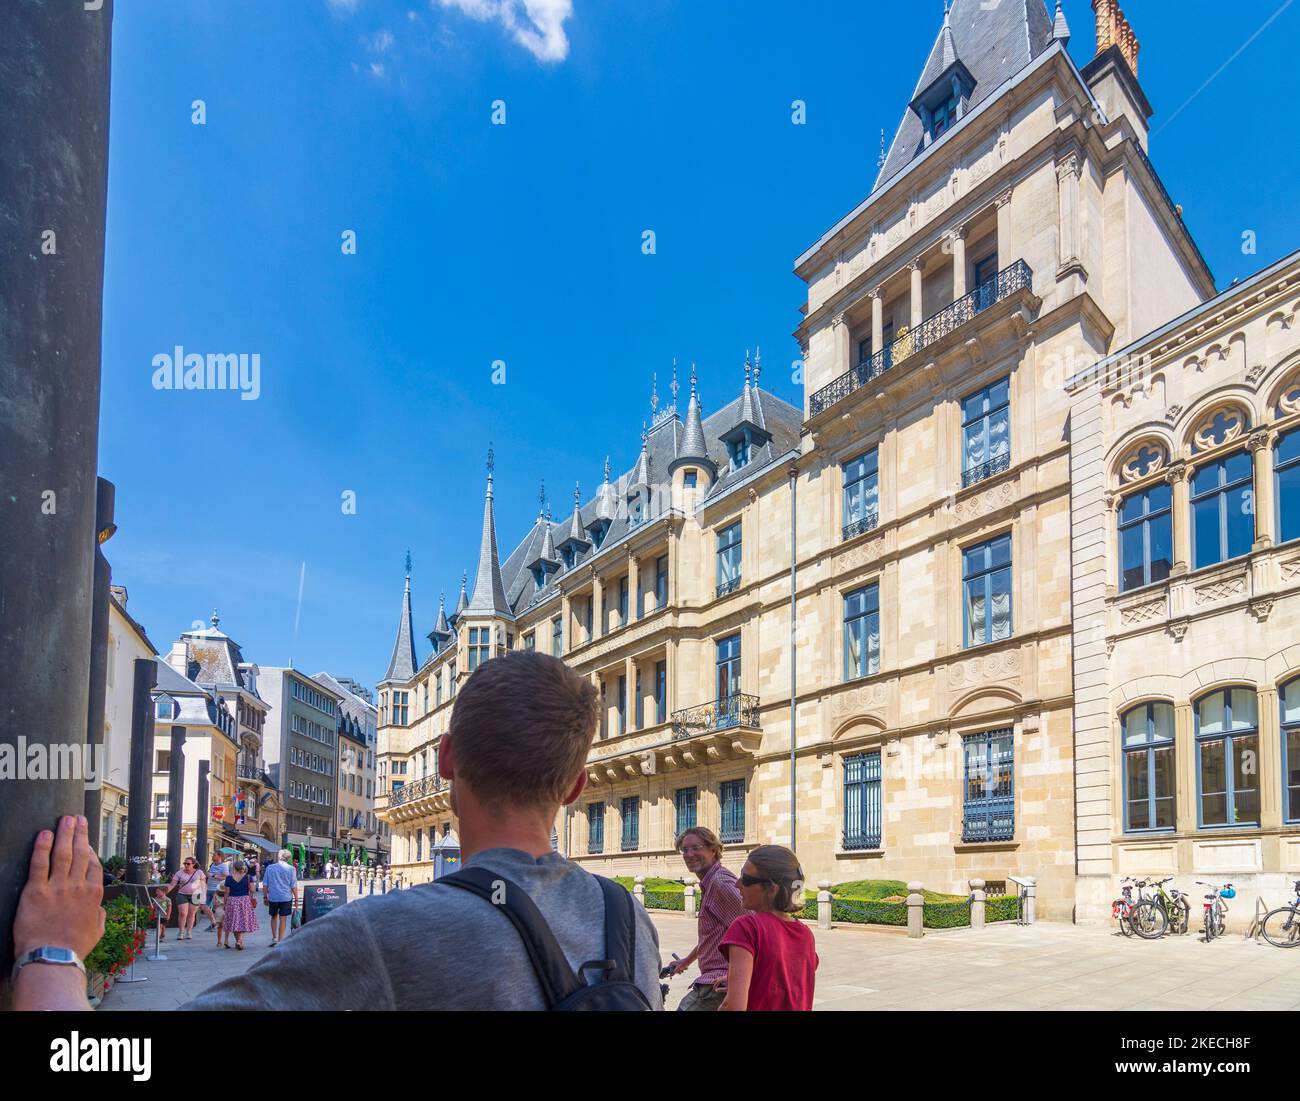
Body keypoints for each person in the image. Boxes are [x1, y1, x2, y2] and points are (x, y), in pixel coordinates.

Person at [718, 845, 819, 1012]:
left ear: (772, 888)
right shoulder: (806, 934)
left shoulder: (747, 927)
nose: (737, 884)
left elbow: (733, 1006)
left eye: (746, 879)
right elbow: (783, 978)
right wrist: (743, 978)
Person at [667, 826, 744, 1011]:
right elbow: (713, 937)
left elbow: (753, 929)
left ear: (713, 850)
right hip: (718, 980)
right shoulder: (710, 882)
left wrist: (740, 978)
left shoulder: (720, 883)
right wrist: (686, 961)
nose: (689, 854)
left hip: (718, 983)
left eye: (696, 847)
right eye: (685, 850)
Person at [262, 848, 299, 947]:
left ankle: (274, 938)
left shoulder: (270, 868)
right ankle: (280, 940)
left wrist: (265, 897)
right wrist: (296, 898)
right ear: (288, 858)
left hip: (273, 897)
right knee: (283, 918)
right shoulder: (291, 869)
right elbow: (293, 885)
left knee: (274, 917)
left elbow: (265, 884)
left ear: (279, 856)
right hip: (286, 897)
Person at [166, 857, 206, 941]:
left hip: (196, 894)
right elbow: (172, 884)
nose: (186, 865)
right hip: (182, 894)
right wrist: (164, 892)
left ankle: (189, 931)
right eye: (185, 863)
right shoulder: (179, 873)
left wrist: (203, 894)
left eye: (188, 864)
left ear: (193, 864)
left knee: (192, 913)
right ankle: (181, 932)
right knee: (183, 913)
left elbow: (203, 884)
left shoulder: (199, 872)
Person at [220, 860, 257, 949]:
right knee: (243, 921)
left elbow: (227, 892)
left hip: (232, 900)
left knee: (235, 921)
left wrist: (225, 904)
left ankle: (238, 941)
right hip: (244, 901)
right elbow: (252, 890)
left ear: (233, 867)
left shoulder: (229, 878)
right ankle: (240, 941)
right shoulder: (248, 877)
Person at [202, 853, 230, 931]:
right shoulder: (212, 865)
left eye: (214, 855)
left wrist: (213, 876)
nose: (212, 856)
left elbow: (226, 877)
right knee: (204, 906)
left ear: (219, 856)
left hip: (217, 890)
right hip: (208, 888)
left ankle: (215, 925)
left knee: (215, 908)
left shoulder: (224, 866)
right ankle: (214, 923)